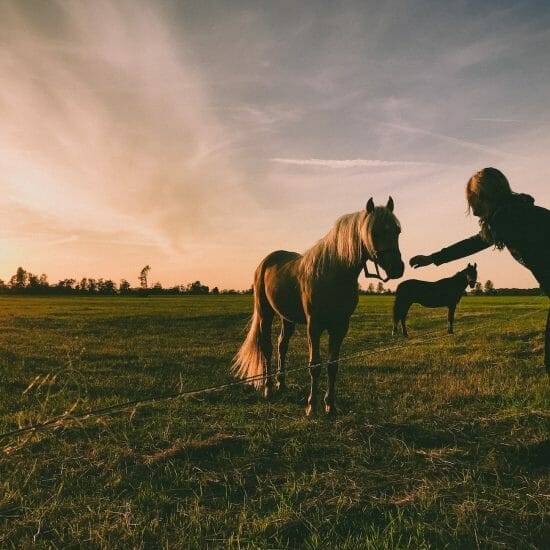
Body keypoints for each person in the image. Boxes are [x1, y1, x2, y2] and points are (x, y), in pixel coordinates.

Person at [410, 167, 550, 373]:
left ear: (482, 196)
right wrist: (434, 258)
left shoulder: (508, 217)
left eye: (470, 198)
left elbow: (474, 243)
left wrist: (433, 258)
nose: (469, 205)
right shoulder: (516, 212)